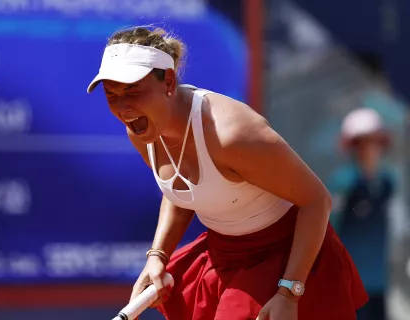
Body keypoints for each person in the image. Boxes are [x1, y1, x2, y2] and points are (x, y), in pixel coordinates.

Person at [86, 26, 368, 320]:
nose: (122, 106)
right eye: (111, 94)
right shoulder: (141, 130)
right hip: (225, 258)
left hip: (287, 257)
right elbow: (182, 191)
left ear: (168, 81)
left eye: (132, 90)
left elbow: (317, 200)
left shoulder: (233, 135)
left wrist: (289, 291)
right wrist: (157, 256)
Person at [329, 108, 396, 320]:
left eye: (376, 141)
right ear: (354, 146)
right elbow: (329, 229)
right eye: (365, 142)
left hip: (379, 281)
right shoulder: (344, 182)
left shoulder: (387, 182)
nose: (371, 148)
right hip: (351, 285)